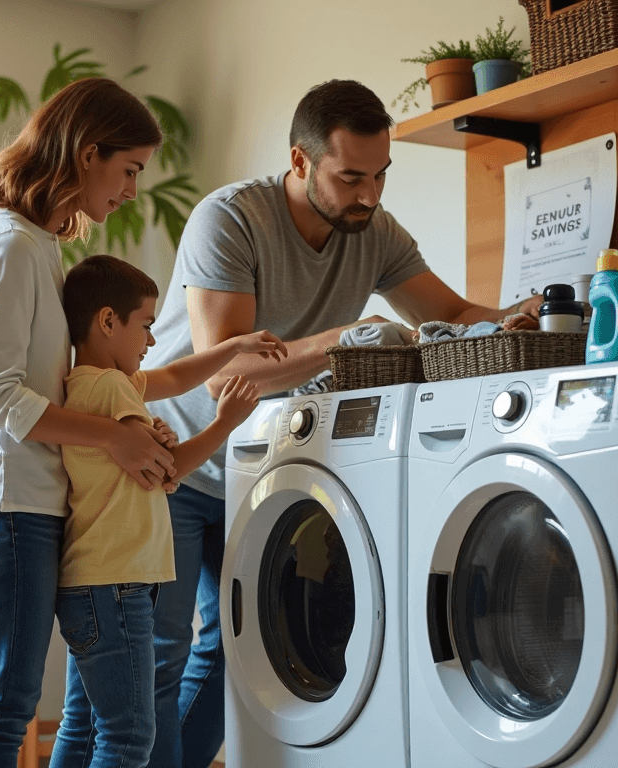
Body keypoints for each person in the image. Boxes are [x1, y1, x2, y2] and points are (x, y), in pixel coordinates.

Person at [143, 78, 543, 768]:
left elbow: (448, 314)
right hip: (174, 459)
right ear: (300, 162)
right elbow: (226, 374)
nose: (369, 195)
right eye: (351, 177)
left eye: (380, 175)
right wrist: (345, 338)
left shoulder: (373, 230)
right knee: (162, 652)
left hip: (260, 467)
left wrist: (518, 315)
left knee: (236, 646)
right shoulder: (231, 218)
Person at [0, 78, 181, 768]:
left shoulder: (39, 246)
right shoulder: (11, 246)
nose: (132, 190)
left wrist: (132, 429)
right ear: (86, 152)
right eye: (129, 169)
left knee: (28, 707)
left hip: (24, 504)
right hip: (5, 503)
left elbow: (60, 387)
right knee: (5, 704)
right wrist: (116, 437)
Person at [49, 254, 286, 768]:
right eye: (146, 326)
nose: (152, 341)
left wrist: (234, 346)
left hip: (90, 581)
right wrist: (225, 422)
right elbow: (169, 467)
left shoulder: (87, 382)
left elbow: (177, 377)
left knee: (83, 723)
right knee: (130, 734)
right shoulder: (111, 388)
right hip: (117, 584)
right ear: (108, 321)